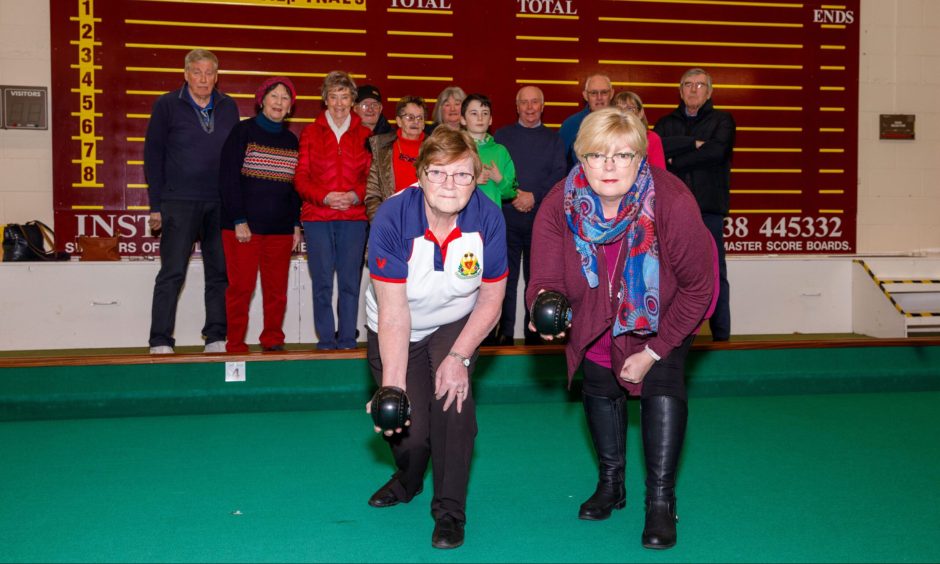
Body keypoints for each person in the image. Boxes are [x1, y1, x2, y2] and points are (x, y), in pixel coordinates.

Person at [527, 108, 715, 549]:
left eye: (622, 155)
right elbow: (544, 279)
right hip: (594, 309)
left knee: (662, 384)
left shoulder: (672, 198)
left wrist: (653, 351)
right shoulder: (560, 201)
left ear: (641, 158)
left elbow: (697, 288)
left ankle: (660, 502)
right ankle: (612, 484)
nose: (609, 166)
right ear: (581, 158)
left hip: (664, 311)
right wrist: (542, 307)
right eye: (597, 154)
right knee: (599, 384)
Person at [364, 127, 508, 550]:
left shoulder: (487, 217)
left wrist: (460, 356)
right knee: (409, 427)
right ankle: (408, 479)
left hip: (455, 323)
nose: (450, 184)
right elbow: (394, 313)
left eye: (462, 175)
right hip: (395, 324)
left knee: (454, 406)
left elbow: (493, 297)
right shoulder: (393, 217)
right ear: (421, 175)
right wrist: (393, 387)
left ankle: (449, 511)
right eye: (438, 173)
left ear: (476, 177)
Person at [145, 49, 240, 354]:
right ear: (185, 74)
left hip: (220, 203)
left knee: (220, 273)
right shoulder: (166, 104)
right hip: (178, 202)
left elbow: (235, 158)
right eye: (197, 72)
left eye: (209, 73)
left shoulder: (229, 107)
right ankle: (160, 340)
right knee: (172, 272)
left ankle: (216, 337)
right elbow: (153, 155)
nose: (203, 79)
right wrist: (156, 205)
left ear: (217, 76)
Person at [218, 77, 302, 353]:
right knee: (241, 289)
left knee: (276, 292)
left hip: (280, 230)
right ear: (261, 100)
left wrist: (295, 225)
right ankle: (235, 343)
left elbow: (293, 188)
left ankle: (273, 340)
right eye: (274, 96)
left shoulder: (292, 141)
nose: (279, 102)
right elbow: (228, 179)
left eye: (285, 98)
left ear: (290, 106)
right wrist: (239, 219)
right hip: (243, 228)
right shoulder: (243, 132)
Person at [654, 68, 736, 341]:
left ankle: (722, 336)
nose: (693, 90)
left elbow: (717, 152)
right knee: (670, 272)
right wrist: (693, 143)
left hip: (708, 209)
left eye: (700, 85)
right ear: (680, 90)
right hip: (671, 212)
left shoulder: (723, 121)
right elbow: (657, 148)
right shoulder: (665, 123)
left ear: (709, 92)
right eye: (688, 85)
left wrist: (677, 161)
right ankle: (669, 334)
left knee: (715, 272)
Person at [294, 71, 372, 350]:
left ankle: (348, 339)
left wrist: (354, 196)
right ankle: (326, 340)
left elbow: (371, 177)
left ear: (352, 100)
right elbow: (300, 177)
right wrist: (325, 197)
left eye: (345, 96)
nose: (339, 103)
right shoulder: (310, 132)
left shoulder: (365, 134)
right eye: (333, 96)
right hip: (318, 217)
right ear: (324, 99)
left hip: (353, 217)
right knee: (323, 282)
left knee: (351, 282)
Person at [490, 85, 566, 346]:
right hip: (507, 220)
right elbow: (496, 173)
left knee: (539, 280)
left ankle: (535, 332)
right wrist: (515, 195)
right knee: (505, 281)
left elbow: (559, 176)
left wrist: (533, 197)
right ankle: (504, 333)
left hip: (541, 224)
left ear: (543, 106)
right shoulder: (501, 137)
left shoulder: (555, 140)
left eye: (535, 102)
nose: (530, 107)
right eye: (525, 102)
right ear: (517, 106)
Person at [364, 96, 427, 221]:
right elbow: (372, 194)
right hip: (391, 220)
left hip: (426, 220)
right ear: (398, 121)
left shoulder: (436, 149)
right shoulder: (382, 148)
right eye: (410, 117)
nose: (416, 122)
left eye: (420, 118)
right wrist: (380, 221)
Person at [459, 93, 516, 207]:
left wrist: (500, 180)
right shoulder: (456, 148)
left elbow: (511, 193)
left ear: (490, 120)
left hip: (491, 220)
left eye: (485, 113)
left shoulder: (501, 152)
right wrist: (472, 181)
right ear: (463, 120)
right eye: (474, 113)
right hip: (461, 219)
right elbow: (444, 183)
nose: (480, 118)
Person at [558, 73, 614, 169]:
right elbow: (558, 162)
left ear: (612, 94)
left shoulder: (622, 123)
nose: (599, 97)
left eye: (604, 92)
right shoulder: (571, 124)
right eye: (593, 93)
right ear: (585, 95)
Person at [612, 91, 666, 169]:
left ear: (640, 113)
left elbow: (659, 174)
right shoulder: (606, 138)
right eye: (619, 109)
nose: (624, 112)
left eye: (630, 109)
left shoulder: (652, 138)